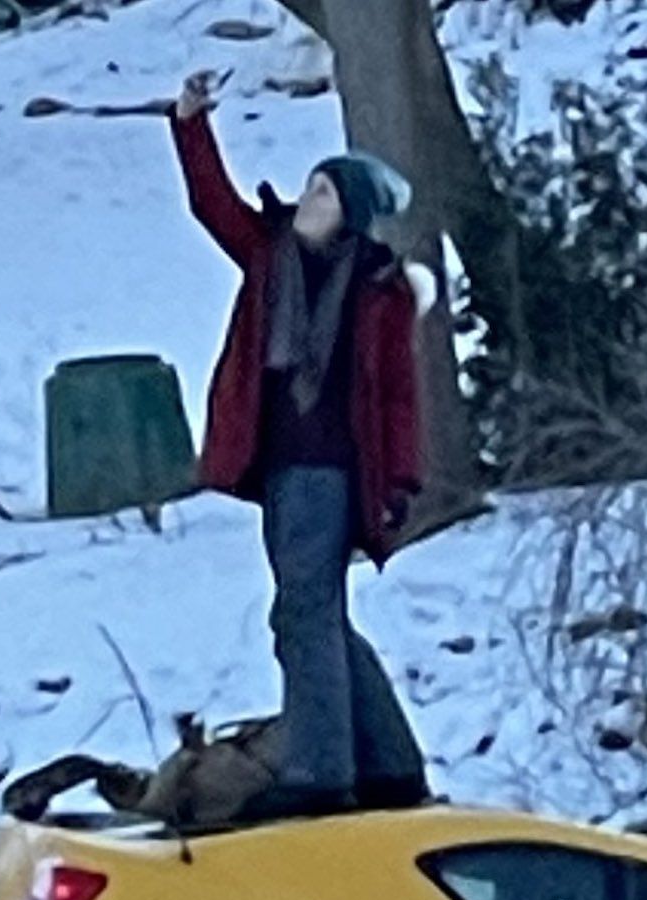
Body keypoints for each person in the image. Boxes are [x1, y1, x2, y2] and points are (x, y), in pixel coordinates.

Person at [169, 70, 433, 817]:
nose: (307, 199)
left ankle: (323, 771)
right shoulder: (269, 254)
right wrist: (190, 123)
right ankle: (390, 763)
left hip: (335, 471)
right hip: (279, 469)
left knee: (302, 614)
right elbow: (211, 204)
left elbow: (397, 395)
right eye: (311, 187)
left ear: (347, 214)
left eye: (322, 192)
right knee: (315, 614)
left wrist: (400, 482)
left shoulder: (377, 289)